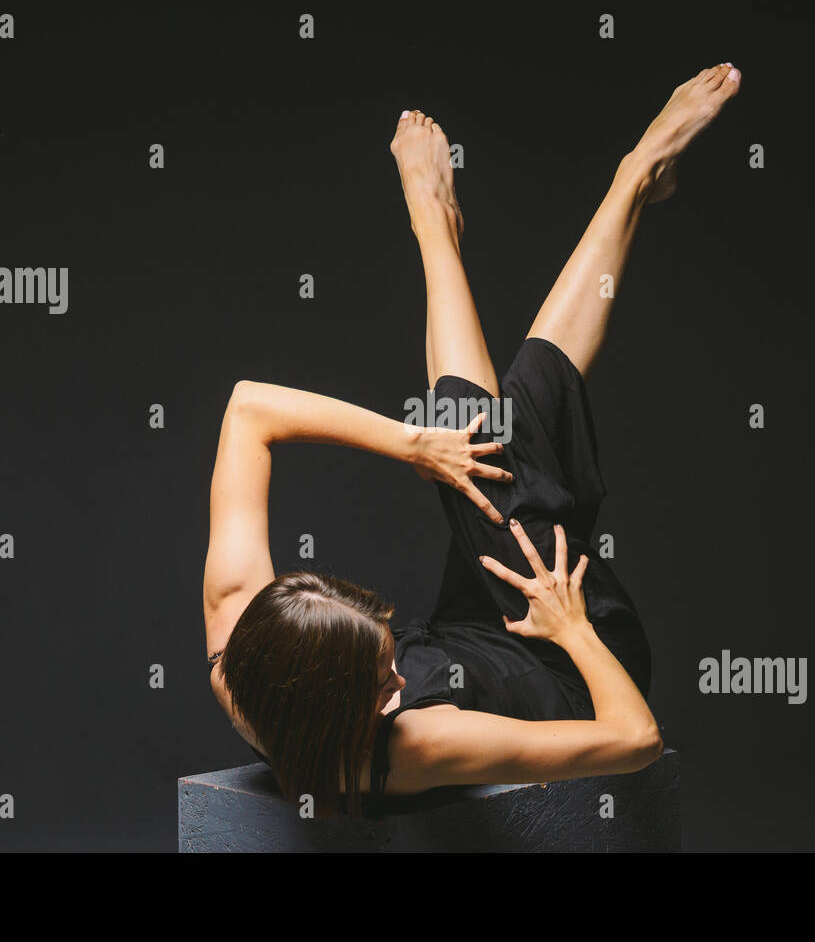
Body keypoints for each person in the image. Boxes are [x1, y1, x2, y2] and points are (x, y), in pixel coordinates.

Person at [202, 63, 742, 817]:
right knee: (484, 442)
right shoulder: (416, 747)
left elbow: (246, 407)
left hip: (472, 631)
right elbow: (636, 737)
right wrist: (575, 630)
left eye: (388, 658)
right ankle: (564, 194)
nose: (397, 683)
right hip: (574, 659)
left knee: (488, 431)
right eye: (383, 685)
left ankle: (589, 192)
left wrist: (408, 445)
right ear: (336, 719)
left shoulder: (237, 642)